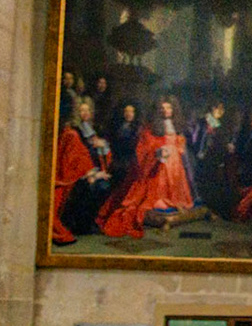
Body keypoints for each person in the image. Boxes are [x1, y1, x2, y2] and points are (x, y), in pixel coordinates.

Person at [96, 100, 198, 237]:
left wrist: (178, 146)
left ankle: (176, 202)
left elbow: (179, 141)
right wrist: (159, 152)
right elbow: (148, 145)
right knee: (159, 184)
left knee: (176, 181)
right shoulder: (152, 127)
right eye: (163, 108)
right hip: (161, 161)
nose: (166, 110)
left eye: (169, 108)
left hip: (175, 160)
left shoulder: (175, 124)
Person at [51, 97, 112, 243]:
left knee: (105, 186)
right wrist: (92, 173)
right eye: (81, 110)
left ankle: (88, 222)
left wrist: (102, 147)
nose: (85, 113)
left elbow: (101, 154)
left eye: (87, 110)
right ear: (76, 112)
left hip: (92, 169)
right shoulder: (74, 131)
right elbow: (76, 158)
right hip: (78, 174)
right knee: (97, 187)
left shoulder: (92, 129)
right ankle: (82, 225)